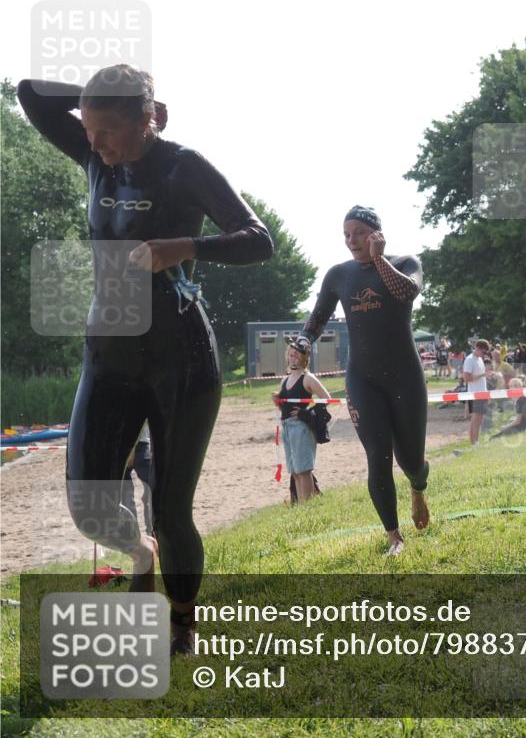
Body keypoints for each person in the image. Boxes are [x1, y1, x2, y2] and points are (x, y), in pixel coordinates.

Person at [17, 67, 273, 655]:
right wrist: (100, 103)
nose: (96, 142)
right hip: (108, 351)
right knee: (88, 505)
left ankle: (182, 625)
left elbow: (259, 239)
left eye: (109, 130)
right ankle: (140, 555)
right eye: (89, 128)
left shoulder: (184, 166)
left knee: (173, 509)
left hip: (179, 355)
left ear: (147, 122)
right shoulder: (93, 156)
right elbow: (29, 93)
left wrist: (183, 247)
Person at [297, 206, 429, 556]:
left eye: (357, 232)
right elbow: (317, 318)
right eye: (345, 234)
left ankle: (418, 487)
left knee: (411, 459)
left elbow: (406, 293)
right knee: (377, 455)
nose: (350, 240)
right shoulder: (339, 275)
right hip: (362, 378)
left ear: (375, 233)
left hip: (405, 377)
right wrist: (303, 342)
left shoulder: (405, 262)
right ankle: (393, 536)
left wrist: (379, 259)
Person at [272, 341, 332, 503]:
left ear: (304, 358)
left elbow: (327, 398)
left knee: (304, 470)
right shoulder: (284, 380)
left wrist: (307, 413)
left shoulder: (308, 378)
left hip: (301, 428)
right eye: (290, 354)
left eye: (297, 354)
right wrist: (277, 401)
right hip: (287, 427)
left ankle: (308, 506)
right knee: (295, 471)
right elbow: (282, 409)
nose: (293, 357)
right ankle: (301, 506)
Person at [462, 339, 491, 446]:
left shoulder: (479, 359)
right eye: (483, 352)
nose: (484, 354)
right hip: (474, 394)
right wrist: (482, 375)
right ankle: (473, 443)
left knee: (480, 419)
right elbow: (466, 378)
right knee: (475, 419)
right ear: (478, 348)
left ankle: (476, 442)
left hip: (482, 393)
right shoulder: (469, 359)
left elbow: (480, 378)